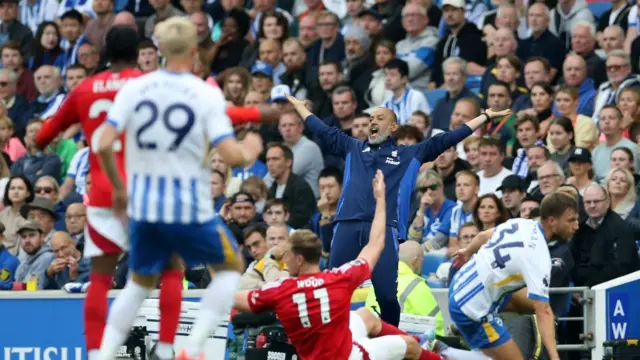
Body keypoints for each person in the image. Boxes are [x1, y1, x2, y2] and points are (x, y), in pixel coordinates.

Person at [93, 18, 263, 360]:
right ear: (193, 51)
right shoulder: (204, 93)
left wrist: (119, 188)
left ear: (158, 50)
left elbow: (103, 143)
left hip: (144, 208)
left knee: (138, 284)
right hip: (189, 210)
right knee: (229, 272)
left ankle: (102, 354)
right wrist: (252, 148)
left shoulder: (135, 88)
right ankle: (192, 346)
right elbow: (232, 154)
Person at [286, 92, 510, 325]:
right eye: (371, 118)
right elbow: (322, 130)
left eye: (380, 118)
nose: (373, 121)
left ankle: (390, 339)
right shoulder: (352, 147)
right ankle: (332, 343)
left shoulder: (410, 153)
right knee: (333, 290)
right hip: (348, 225)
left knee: (386, 297)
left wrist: (484, 117)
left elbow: (449, 138)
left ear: (393, 126)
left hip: (385, 229)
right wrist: (302, 108)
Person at [34, 25, 184, 360]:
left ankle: (96, 352)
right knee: (171, 268)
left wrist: (73, 124)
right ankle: (165, 347)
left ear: (105, 52)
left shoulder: (84, 88)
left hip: (102, 194)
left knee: (100, 278)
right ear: (139, 52)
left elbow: (43, 136)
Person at [233, 171, 442, 360]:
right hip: (348, 356)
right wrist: (380, 201)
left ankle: (417, 339)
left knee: (365, 316)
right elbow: (376, 244)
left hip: (319, 354)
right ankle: (431, 352)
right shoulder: (340, 278)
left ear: (298, 259)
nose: (284, 260)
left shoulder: (280, 290)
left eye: (287, 256)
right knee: (410, 347)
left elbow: (235, 298)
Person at [449, 191, 579, 360]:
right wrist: (555, 357)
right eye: (571, 220)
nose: (576, 225)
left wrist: (466, 252)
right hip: (472, 308)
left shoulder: (521, 223)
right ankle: (442, 352)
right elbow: (544, 311)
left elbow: (482, 235)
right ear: (552, 221)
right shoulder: (538, 256)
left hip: (459, 284)